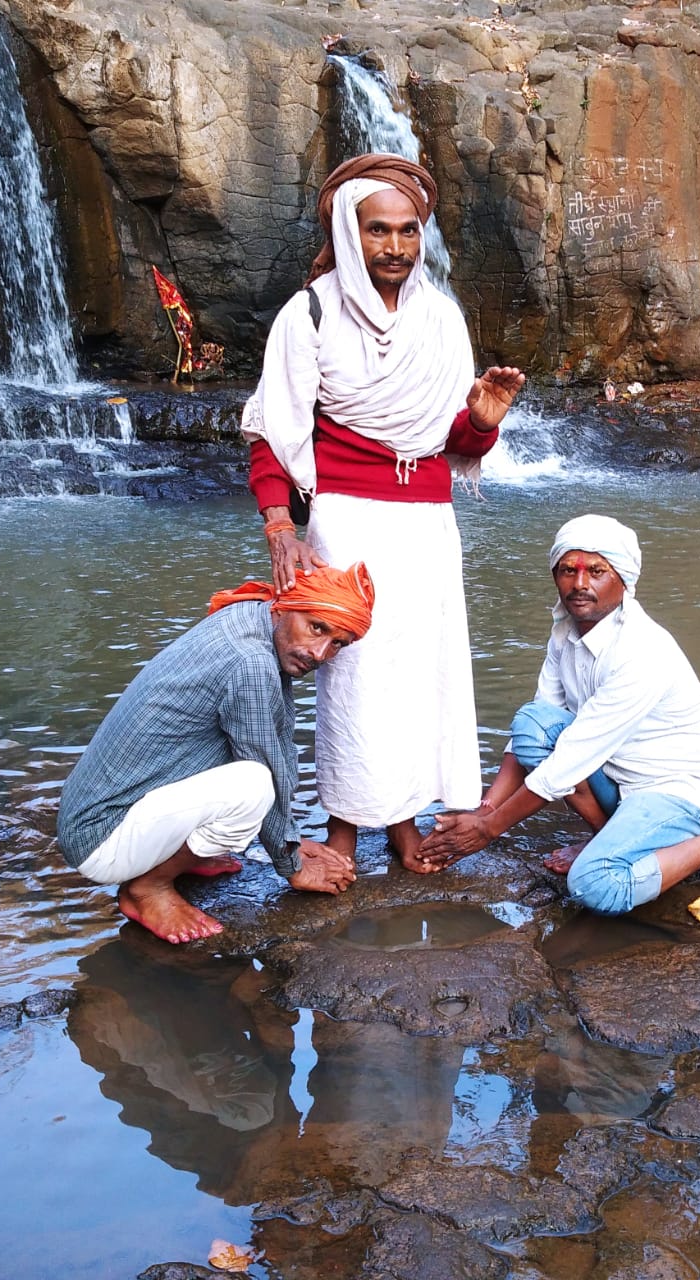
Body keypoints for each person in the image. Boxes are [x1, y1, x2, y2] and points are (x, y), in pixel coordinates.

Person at [241, 152, 525, 875]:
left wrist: (484, 421)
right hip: (346, 518)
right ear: (348, 231)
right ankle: (343, 830)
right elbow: (276, 432)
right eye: (378, 231)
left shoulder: (440, 317)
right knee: (354, 678)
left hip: (428, 522)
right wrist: (281, 525)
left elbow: (453, 442)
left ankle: (404, 825)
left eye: (407, 232)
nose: (395, 248)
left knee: (423, 675)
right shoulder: (307, 315)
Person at [417, 515, 700, 914]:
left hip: (677, 791)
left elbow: (575, 755)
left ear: (624, 580)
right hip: (616, 776)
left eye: (596, 571)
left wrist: (488, 832)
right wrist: (485, 811)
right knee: (534, 725)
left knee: (594, 886)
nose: (580, 584)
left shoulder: (642, 651)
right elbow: (540, 723)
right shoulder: (566, 630)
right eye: (568, 570)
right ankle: (608, 836)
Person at [56, 563, 376, 944]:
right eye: (317, 628)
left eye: (338, 643)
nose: (320, 653)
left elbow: (274, 736)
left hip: (94, 816)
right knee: (253, 785)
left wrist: (288, 837)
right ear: (283, 606)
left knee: (250, 757)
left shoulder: (246, 616)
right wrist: (291, 865)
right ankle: (147, 888)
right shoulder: (250, 662)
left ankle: (182, 855)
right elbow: (268, 764)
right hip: (100, 839)